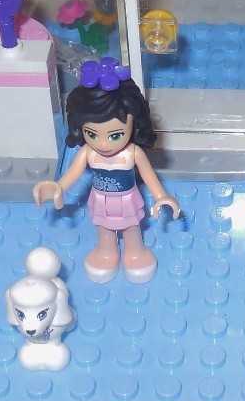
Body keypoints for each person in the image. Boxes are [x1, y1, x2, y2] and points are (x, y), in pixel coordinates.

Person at [34, 60, 180, 283]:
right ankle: (106, 251)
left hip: (127, 198)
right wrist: (58, 187)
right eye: (92, 134)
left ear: (134, 125)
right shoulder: (87, 153)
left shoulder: (133, 153)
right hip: (101, 199)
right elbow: (72, 174)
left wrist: (162, 196)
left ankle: (135, 252)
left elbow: (149, 176)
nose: (103, 144)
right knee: (104, 228)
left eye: (115, 135)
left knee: (131, 227)